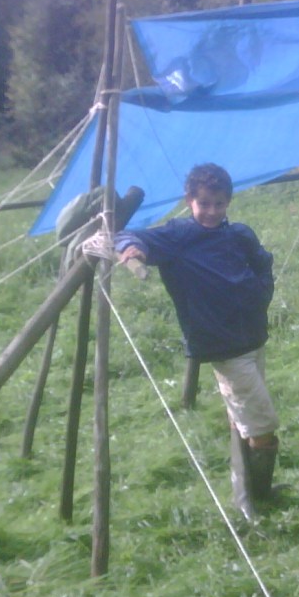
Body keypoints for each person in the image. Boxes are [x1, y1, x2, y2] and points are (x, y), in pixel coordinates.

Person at [115, 163, 279, 520]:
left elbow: (263, 263)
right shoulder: (179, 236)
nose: (211, 212)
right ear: (189, 200)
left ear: (228, 202)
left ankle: (249, 497)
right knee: (263, 426)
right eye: (204, 203)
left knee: (242, 419)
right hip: (224, 347)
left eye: (219, 204)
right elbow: (129, 236)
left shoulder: (239, 235)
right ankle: (258, 499)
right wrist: (132, 250)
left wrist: (260, 294)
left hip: (254, 336)